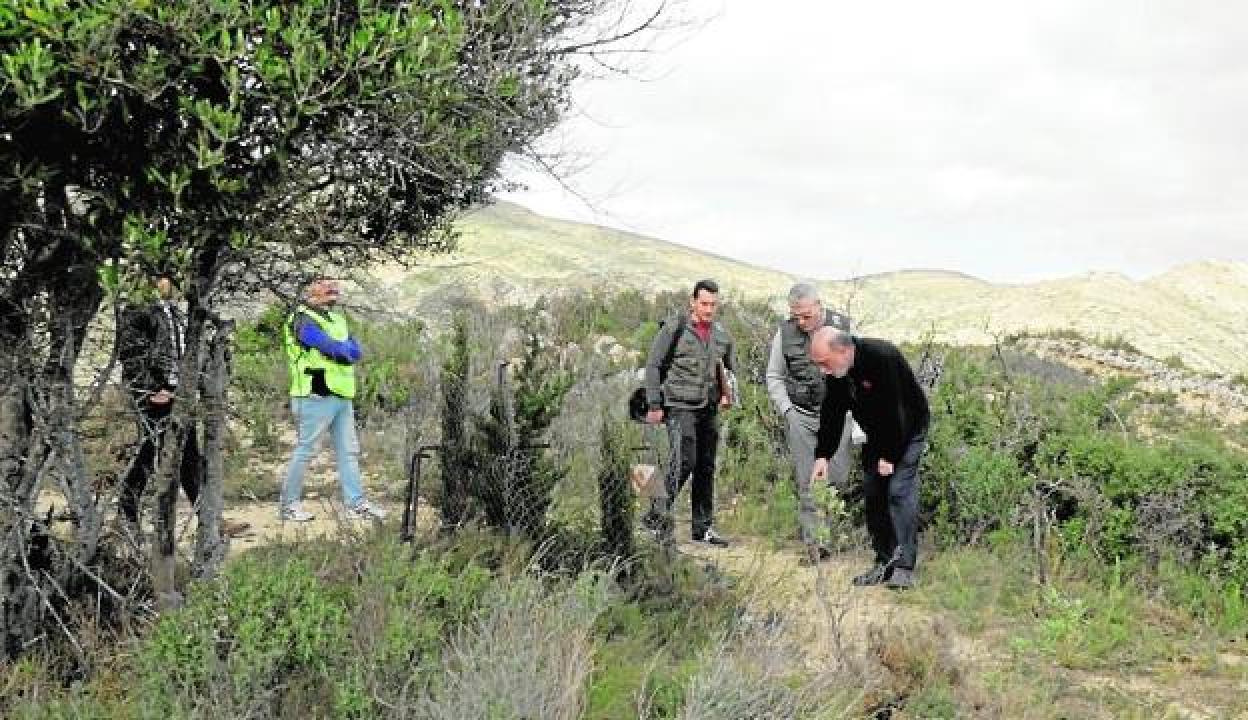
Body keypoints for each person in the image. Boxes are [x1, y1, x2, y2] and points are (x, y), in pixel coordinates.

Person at [117, 273, 250, 538]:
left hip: (178, 394)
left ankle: (208, 518)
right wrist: (152, 390)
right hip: (155, 395)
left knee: (188, 455)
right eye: (163, 278)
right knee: (149, 453)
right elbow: (131, 355)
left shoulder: (176, 312)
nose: (171, 283)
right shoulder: (138, 311)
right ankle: (126, 516)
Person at [810, 326, 930, 589]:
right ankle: (883, 563)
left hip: (908, 430)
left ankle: (904, 567)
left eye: (824, 363)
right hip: (876, 434)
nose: (822, 370)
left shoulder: (881, 357)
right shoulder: (838, 373)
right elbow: (832, 414)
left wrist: (890, 455)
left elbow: (899, 412)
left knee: (899, 491)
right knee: (874, 491)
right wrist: (823, 456)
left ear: (842, 351)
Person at [278, 278, 386, 522]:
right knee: (306, 450)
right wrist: (341, 350)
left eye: (335, 284)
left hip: (342, 394)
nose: (332, 288)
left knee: (349, 451)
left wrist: (342, 350)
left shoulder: (338, 319)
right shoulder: (301, 318)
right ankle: (288, 505)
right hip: (315, 393)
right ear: (309, 290)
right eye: (324, 283)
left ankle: (355, 504)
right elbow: (326, 345)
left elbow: (355, 350)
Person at [765, 283, 858, 563]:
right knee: (808, 481)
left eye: (806, 315)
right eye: (796, 316)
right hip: (802, 416)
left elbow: (860, 372)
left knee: (837, 478)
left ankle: (834, 534)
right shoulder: (785, 333)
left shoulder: (844, 328)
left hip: (839, 417)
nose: (801, 322)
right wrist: (788, 411)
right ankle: (816, 546)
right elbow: (774, 375)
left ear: (819, 306)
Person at [641, 279, 736, 547]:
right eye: (704, 303)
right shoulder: (676, 328)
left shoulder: (721, 335)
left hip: (709, 407)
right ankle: (655, 517)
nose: (708, 309)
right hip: (678, 405)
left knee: (706, 466)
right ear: (693, 302)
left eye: (713, 305)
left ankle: (702, 528)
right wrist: (654, 404)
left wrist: (729, 394)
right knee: (685, 460)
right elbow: (653, 365)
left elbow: (729, 370)